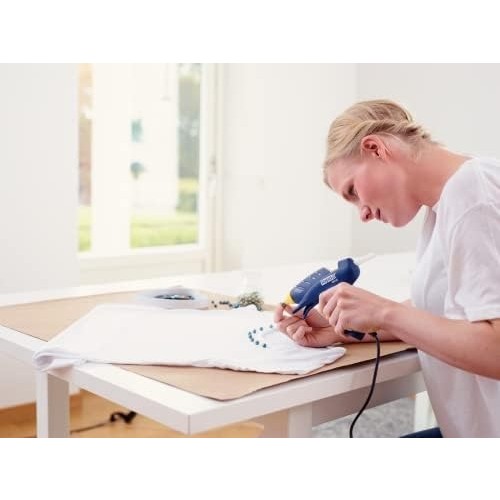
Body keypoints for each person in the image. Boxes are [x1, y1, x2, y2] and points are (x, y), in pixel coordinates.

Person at [274, 99, 500, 438]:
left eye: (353, 191)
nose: (363, 214)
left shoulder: (474, 197)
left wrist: (385, 313)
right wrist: (340, 329)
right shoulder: (451, 199)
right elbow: (445, 312)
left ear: (375, 148)